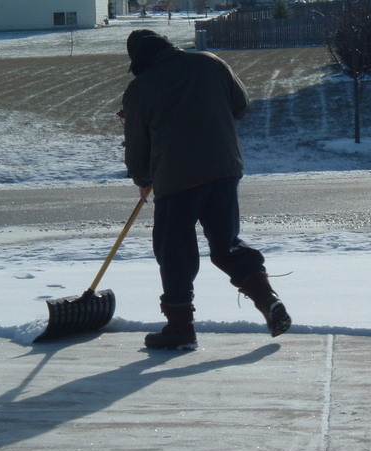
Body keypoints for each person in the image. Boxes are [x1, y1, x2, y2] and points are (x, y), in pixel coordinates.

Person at [121, 29, 291, 350]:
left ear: (139, 61)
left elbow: (137, 146)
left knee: (174, 251)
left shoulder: (139, 89)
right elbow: (239, 106)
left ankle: (180, 328)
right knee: (226, 244)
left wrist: (143, 177)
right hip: (224, 169)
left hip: (176, 179)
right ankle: (267, 299)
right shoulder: (209, 63)